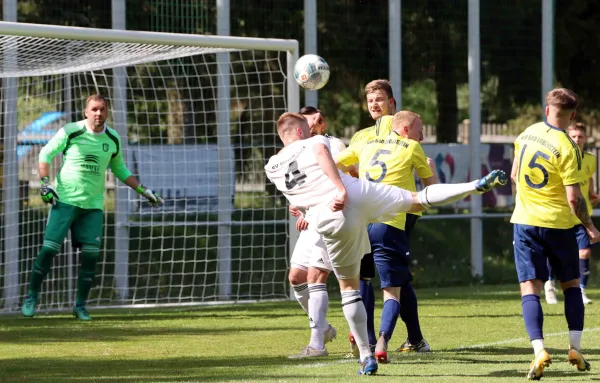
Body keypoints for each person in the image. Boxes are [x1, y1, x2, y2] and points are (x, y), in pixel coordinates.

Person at [265, 112, 506, 375]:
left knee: (349, 289)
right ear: (301, 133)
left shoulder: (272, 166)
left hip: (330, 217)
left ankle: (366, 356)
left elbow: (301, 194)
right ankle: (474, 185)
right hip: (354, 193)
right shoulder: (314, 142)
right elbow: (323, 155)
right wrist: (340, 188)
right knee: (417, 198)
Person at [21, 94, 164, 321]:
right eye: (94, 109)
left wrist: (143, 190)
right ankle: (31, 297)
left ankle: (80, 306)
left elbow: (120, 170)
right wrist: (46, 185)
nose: (98, 113)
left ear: (107, 112)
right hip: (65, 201)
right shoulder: (71, 131)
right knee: (49, 249)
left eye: (103, 109)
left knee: (90, 256)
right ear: (86, 112)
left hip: (93, 207)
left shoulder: (113, 138)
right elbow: (45, 153)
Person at [510, 88, 598, 379]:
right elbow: (574, 198)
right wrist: (589, 226)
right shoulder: (568, 147)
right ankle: (574, 348)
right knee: (571, 285)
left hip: (525, 222)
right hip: (559, 226)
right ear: (572, 115)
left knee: (529, 288)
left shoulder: (526, 135)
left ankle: (539, 351)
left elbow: (513, 175)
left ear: (546, 109)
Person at [336, 111, 437, 363]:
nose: (421, 135)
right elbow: (432, 191)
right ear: (405, 130)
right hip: (390, 224)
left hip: (362, 222)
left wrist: (355, 179)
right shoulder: (412, 147)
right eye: (419, 130)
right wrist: (431, 169)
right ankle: (382, 341)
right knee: (392, 291)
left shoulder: (365, 143)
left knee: (362, 282)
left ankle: (365, 341)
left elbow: (338, 163)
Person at [287, 106, 346, 358]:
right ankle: (323, 328)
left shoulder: (333, 145)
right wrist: (300, 209)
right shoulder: (298, 149)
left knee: (316, 277)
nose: (312, 124)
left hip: (332, 216)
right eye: (307, 121)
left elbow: (341, 177)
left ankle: (316, 344)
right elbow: (299, 185)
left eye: (315, 120)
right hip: (311, 219)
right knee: (296, 277)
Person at [545, 122, 599, 305]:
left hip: (582, 215)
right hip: (562, 213)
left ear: (585, 138)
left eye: (580, 136)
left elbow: (588, 177)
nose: (577, 140)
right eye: (573, 136)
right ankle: (550, 286)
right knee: (556, 253)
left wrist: (592, 194)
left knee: (584, 253)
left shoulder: (590, 159)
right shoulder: (562, 156)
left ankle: (582, 291)